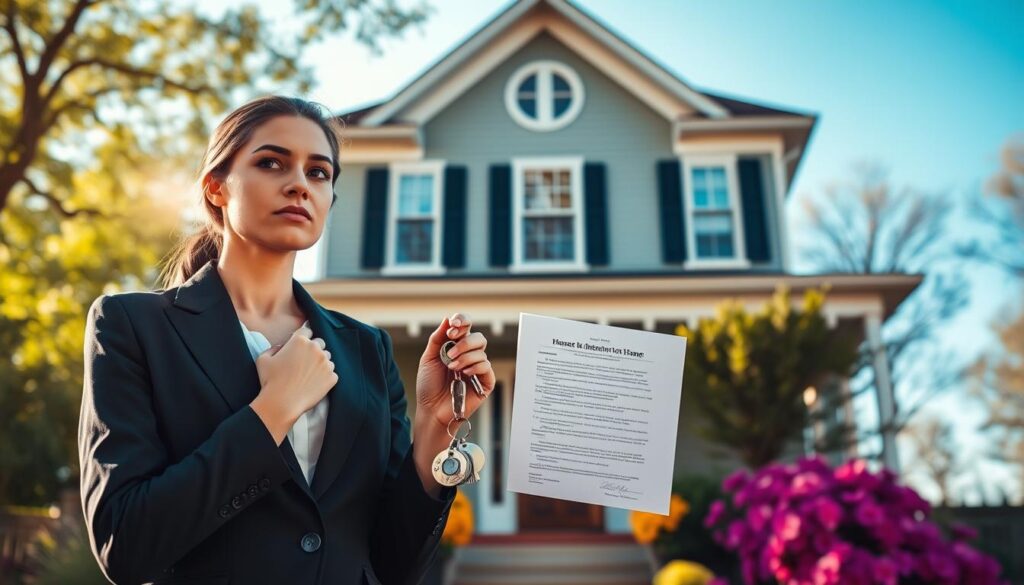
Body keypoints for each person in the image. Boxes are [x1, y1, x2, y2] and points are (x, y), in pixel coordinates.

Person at [78, 96, 495, 585]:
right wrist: (272, 410)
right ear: (216, 188)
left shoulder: (368, 350)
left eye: (319, 173)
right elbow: (124, 544)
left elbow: (392, 564)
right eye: (271, 162)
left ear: (328, 202)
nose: (299, 183)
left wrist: (433, 426)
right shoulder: (131, 326)